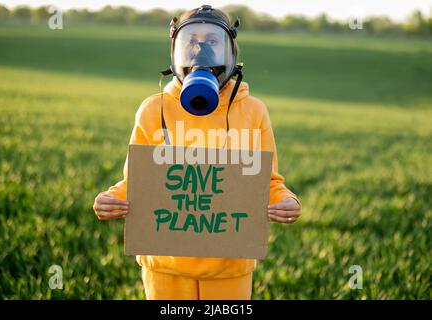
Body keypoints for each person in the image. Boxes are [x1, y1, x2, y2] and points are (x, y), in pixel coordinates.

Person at [93, 5, 302, 300]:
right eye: (191, 41)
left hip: (230, 268)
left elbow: (268, 182)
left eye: (212, 42)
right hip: (164, 266)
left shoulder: (254, 111)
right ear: (175, 50)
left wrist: (287, 202)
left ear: (231, 52)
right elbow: (137, 181)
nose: (200, 51)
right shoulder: (153, 109)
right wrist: (113, 198)